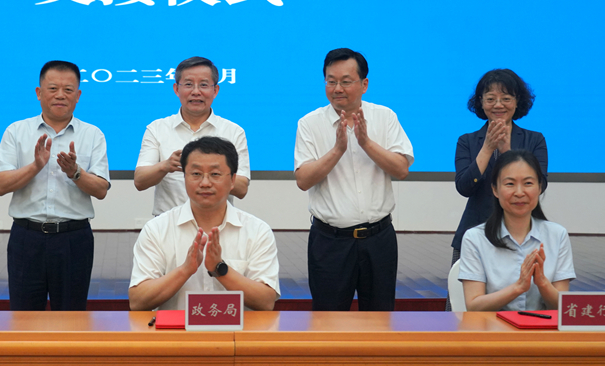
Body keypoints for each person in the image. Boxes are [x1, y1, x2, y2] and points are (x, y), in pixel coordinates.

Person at [294, 48, 413, 311]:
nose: (337, 88)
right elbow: (303, 180)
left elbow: (401, 169)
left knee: (380, 319)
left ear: (364, 84)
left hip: (379, 239)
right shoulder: (309, 123)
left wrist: (366, 143)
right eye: (331, 81)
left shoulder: (385, 117)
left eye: (346, 81)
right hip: (330, 242)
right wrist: (338, 150)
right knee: (327, 320)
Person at [0, 60, 110, 311]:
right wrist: (35, 166)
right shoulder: (16, 131)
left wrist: (75, 172)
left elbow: (101, 190)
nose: (60, 95)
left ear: (78, 95)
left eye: (68, 90)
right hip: (26, 238)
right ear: (39, 93)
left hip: (73, 239)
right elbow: (0, 185)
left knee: (71, 317)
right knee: (23, 317)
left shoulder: (93, 134)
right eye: (53, 88)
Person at [129, 137, 279, 312]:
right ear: (184, 177)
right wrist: (185, 270)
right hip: (176, 330)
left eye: (215, 174)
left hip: (239, 330)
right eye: (196, 174)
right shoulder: (157, 229)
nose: (205, 183)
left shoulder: (257, 231)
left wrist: (220, 269)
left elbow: (266, 302)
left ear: (232, 180)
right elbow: (137, 301)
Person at [449, 69, 547, 309]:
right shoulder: (467, 141)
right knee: (466, 308)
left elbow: (540, 185)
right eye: (490, 98)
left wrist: (505, 151)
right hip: (474, 233)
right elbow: (464, 187)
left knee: (523, 304)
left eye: (506, 98)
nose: (498, 105)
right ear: (480, 102)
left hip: (523, 235)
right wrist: (487, 148)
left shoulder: (534, 140)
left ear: (517, 101)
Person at [459, 149, 574, 311]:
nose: (519, 193)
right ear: (495, 189)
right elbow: (474, 306)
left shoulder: (557, 235)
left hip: (542, 327)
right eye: (510, 184)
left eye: (528, 183)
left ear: (540, 187)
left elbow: (564, 309)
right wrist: (518, 287)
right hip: (493, 326)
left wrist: (542, 282)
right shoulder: (475, 238)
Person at [134, 56, 250, 216]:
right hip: (168, 223)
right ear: (176, 89)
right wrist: (166, 166)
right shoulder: (157, 128)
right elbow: (140, 181)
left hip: (217, 223)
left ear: (215, 90)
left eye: (204, 85)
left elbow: (242, 188)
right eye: (188, 84)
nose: (196, 92)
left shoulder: (233, 131)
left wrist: (213, 170)